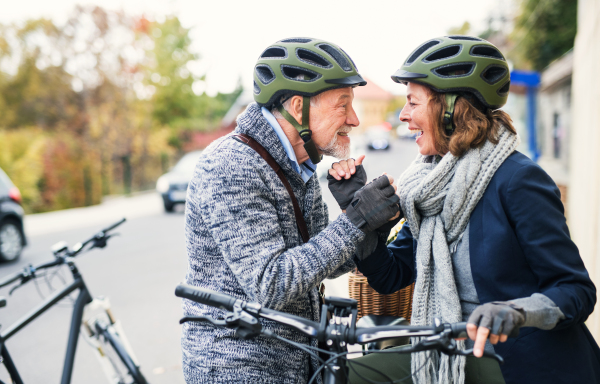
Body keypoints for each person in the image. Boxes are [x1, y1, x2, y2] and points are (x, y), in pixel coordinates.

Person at [327, 36, 600, 384]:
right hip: (449, 351)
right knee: (344, 373)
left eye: (412, 103)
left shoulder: (518, 180)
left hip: (519, 363)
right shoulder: (429, 187)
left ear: (450, 109)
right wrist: (358, 214)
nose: (403, 116)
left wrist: (516, 311)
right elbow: (390, 276)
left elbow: (576, 290)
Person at [180, 37, 400, 384]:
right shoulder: (231, 165)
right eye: (343, 105)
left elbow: (322, 263)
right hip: (239, 367)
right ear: (299, 108)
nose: (354, 119)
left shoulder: (298, 164)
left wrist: (368, 219)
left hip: (297, 361)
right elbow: (272, 284)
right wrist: (355, 220)